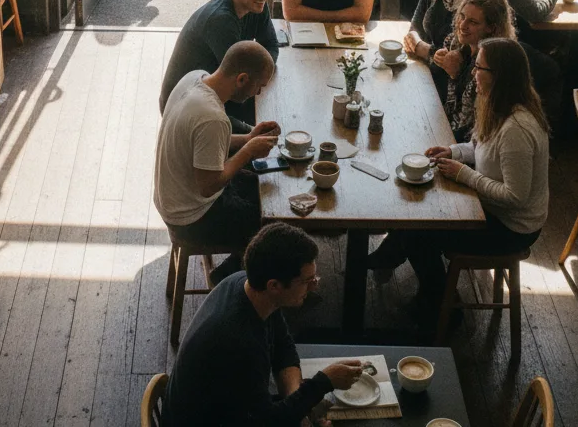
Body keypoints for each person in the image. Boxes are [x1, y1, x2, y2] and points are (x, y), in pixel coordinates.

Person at [368, 38, 549, 322]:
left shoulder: (517, 129)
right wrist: (453, 151)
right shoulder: (496, 103)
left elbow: (517, 197)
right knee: (416, 209)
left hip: (511, 227)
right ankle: (389, 258)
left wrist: (464, 173)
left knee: (421, 231)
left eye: (479, 67)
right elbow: (480, 146)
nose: (473, 72)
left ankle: (441, 307)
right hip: (492, 205)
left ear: (498, 76)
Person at [162, 223, 363, 426]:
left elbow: (283, 346)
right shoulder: (239, 342)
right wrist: (323, 383)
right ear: (274, 285)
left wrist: (299, 407)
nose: (314, 286)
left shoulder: (244, 284)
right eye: (307, 281)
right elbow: (266, 422)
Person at [153, 41, 280, 284]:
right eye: (259, 87)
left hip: (171, 197)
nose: (259, 93)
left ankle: (239, 266)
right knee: (271, 226)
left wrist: (249, 138)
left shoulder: (194, 78)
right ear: (242, 79)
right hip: (190, 217)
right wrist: (247, 152)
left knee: (264, 187)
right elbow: (209, 185)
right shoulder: (212, 117)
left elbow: (207, 141)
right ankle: (229, 278)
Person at [160, 0, 279, 131]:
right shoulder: (221, 21)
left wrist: (261, 74)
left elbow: (270, 44)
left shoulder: (256, 5)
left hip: (218, 94)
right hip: (183, 109)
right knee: (265, 129)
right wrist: (251, 132)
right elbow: (238, 85)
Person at [434, 0, 515, 143]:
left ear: (491, 28)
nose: (462, 25)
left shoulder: (490, 64)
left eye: (473, 22)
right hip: (447, 125)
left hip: (469, 144)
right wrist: (438, 59)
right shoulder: (457, 44)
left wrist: (454, 77)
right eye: (462, 17)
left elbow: (465, 125)